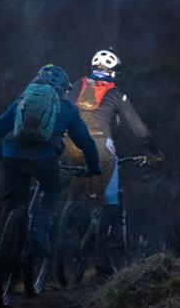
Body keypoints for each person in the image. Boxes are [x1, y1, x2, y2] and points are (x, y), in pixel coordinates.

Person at [0, 64, 102, 274]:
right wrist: (93, 168)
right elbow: (86, 143)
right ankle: (39, 230)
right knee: (51, 188)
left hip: (13, 156)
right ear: (62, 89)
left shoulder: (21, 102)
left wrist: (0, 156)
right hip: (45, 159)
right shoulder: (67, 109)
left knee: (12, 203)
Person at [64, 49, 164, 275]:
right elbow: (139, 130)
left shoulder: (76, 85)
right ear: (113, 72)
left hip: (71, 144)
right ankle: (102, 261)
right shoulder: (117, 94)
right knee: (110, 201)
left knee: (76, 189)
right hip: (101, 147)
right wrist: (155, 152)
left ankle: (67, 223)